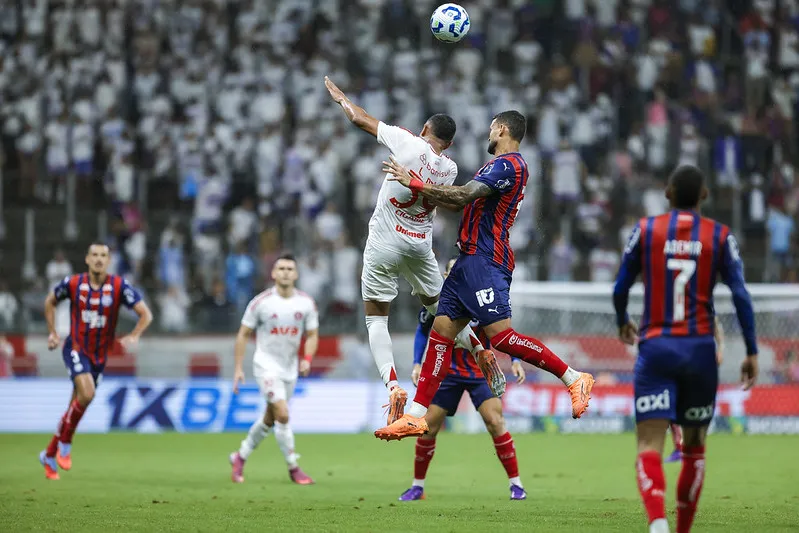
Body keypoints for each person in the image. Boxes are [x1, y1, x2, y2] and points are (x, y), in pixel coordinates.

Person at [375, 111, 595, 441]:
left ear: (503, 129)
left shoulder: (510, 165)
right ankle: (418, 416)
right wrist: (423, 190)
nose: (488, 134)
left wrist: (416, 183)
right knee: (441, 333)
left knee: (502, 337)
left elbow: (463, 195)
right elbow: (459, 199)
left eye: (492, 129)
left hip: (486, 260)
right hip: (467, 260)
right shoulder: (497, 167)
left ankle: (573, 377)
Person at [324, 76, 493, 425]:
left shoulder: (407, 141)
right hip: (419, 246)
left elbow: (360, 119)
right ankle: (477, 347)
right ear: (449, 142)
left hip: (385, 241)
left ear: (426, 128)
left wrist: (342, 98)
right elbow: (447, 201)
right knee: (440, 310)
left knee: (375, 317)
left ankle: (392, 386)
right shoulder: (449, 168)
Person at [612, 165, 759, 533]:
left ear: (667, 192)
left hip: (657, 346)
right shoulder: (720, 237)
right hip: (700, 350)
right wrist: (751, 351)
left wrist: (621, 320)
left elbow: (620, 287)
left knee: (649, 444)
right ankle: (682, 531)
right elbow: (741, 296)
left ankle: (658, 522)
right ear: (705, 196)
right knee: (694, 447)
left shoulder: (646, 231)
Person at [399, 259, 528, 502]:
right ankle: (417, 487)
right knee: (428, 427)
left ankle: (516, 485)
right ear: (447, 274)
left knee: (494, 420)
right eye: (451, 270)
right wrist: (417, 363)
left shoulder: (483, 300)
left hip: (480, 372)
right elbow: (422, 330)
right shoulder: (438, 303)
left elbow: (502, 332)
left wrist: (515, 360)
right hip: (446, 372)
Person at [40, 243, 153, 480]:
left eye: (104, 255)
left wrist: (134, 334)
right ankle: (66, 444)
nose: (99, 259)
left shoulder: (119, 286)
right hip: (76, 348)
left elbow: (146, 314)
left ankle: (49, 454)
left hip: (99, 357)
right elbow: (50, 301)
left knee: (76, 406)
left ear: (109, 260)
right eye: (95, 255)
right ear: (87, 259)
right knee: (87, 394)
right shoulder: (73, 283)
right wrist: (52, 332)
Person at [229, 254, 318, 485]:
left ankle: (240, 457)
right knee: (283, 413)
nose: (286, 272)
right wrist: (238, 368)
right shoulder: (261, 302)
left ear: (296, 274)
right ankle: (293, 467)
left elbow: (312, 334)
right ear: (273, 273)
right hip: (266, 365)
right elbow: (243, 334)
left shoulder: (306, 303)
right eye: (281, 268)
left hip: (289, 369)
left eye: (290, 268)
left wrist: (307, 358)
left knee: (270, 418)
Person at [665, 318, 724, 463]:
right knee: (671, 405)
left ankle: (688, 449)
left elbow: (715, 325)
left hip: (699, 360)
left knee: (692, 407)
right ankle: (681, 449)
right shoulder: (672, 307)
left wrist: (721, 348)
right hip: (677, 359)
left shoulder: (702, 306)